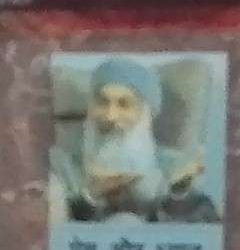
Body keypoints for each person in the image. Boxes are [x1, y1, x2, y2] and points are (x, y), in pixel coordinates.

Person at [55, 57, 209, 222]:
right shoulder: (62, 164)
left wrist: (178, 194)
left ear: (145, 114)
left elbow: (204, 225)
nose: (110, 116)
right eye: (102, 102)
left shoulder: (173, 165)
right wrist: (91, 195)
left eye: (124, 104)